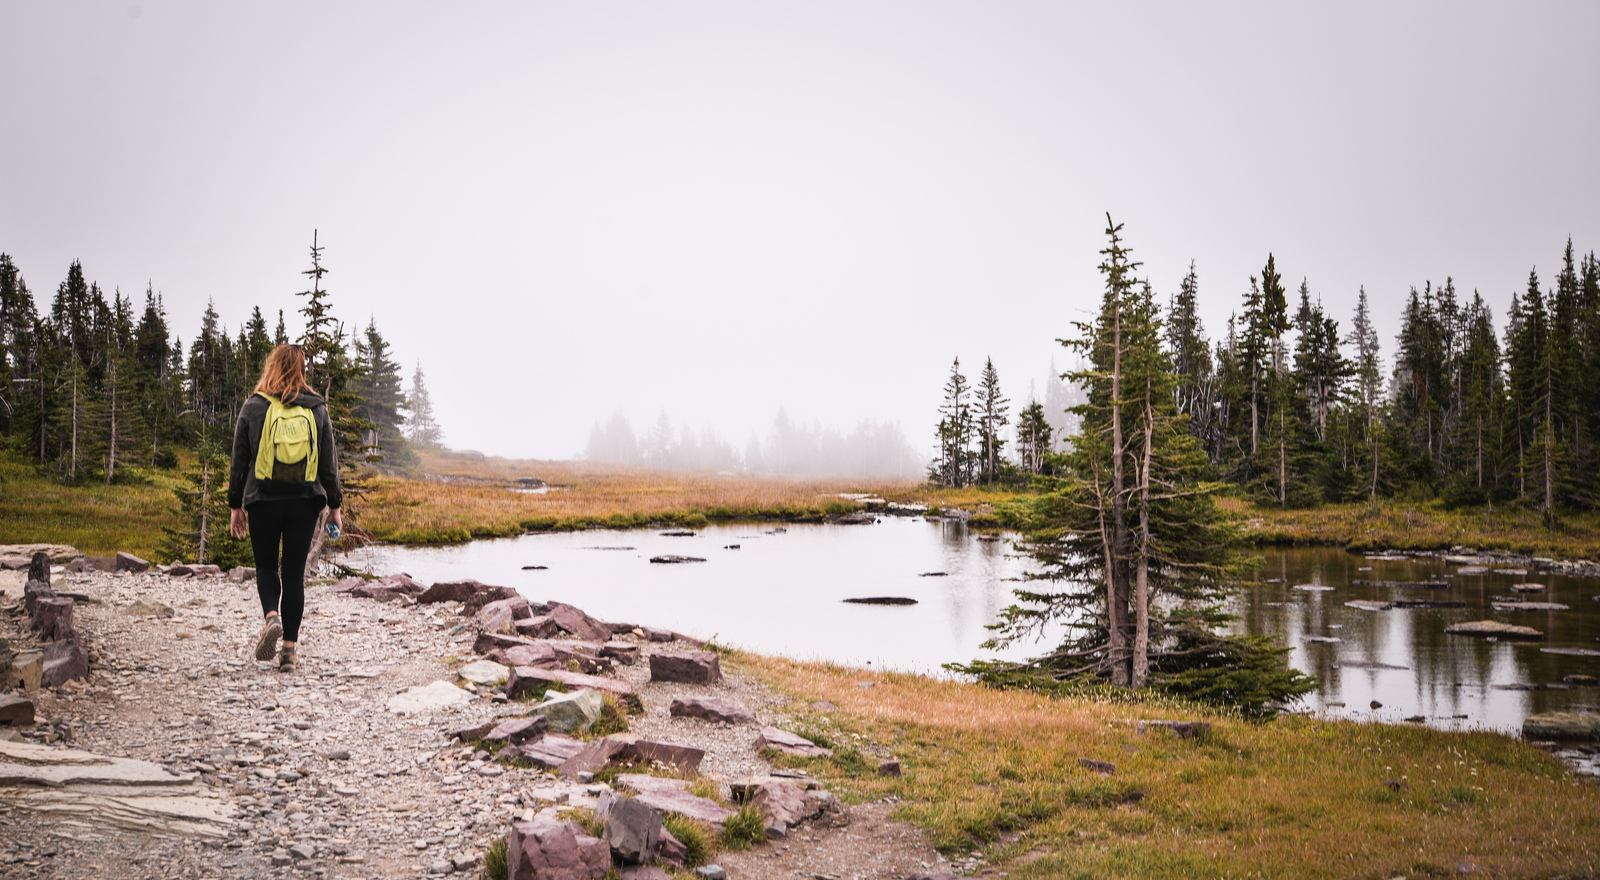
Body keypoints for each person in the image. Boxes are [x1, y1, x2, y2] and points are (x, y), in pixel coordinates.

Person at [226, 343, 342, 671]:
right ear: (302, 369)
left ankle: (271, 617)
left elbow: (240, 460)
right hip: (304, 502)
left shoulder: (254, 405)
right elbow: (328, 464)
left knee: (266, 567)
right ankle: (289, 651)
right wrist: (334, 505)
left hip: (262, 499)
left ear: (271, 366)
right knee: (293, 575)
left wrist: (236, 505)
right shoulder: (316, 407)